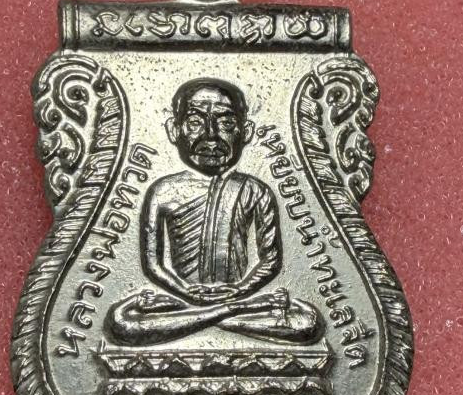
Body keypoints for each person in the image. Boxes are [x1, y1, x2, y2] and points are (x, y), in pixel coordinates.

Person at [107, 78, 322, 346]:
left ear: (246, 132)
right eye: (195, 122)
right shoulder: (163, 191)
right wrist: (186, 292)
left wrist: (239, 290)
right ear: (174, 130)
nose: (211, 136)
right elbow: (153, 264)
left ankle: (212, 317)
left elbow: (270, 261)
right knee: (120, 324)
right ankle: (225, 315)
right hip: (180, 301)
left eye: (226, 124)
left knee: (308, 324)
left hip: (234, 298)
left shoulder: (256, 190)